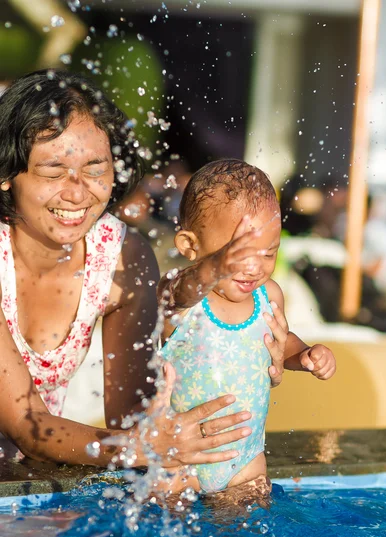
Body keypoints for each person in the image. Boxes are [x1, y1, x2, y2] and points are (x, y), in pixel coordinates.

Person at [0, 70, 287, 472]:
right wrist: (141, 448)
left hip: (21, 477)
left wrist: (241, 360)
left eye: (96, 169)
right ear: (6, 174)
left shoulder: (118, 256)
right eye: (53, 171)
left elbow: (133, 417)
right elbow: (29, 428)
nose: (78, 191)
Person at [158, 159, 336, 494]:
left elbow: (280, 345)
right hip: (181, 459)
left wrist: (307, 355)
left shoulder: (268, 297)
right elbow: (176, 292)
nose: (254, 267)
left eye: (268, 254)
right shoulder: (182, 302)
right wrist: (212, 270)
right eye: (236, 254)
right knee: (171, 535)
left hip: (245, 459)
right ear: (190, 246)